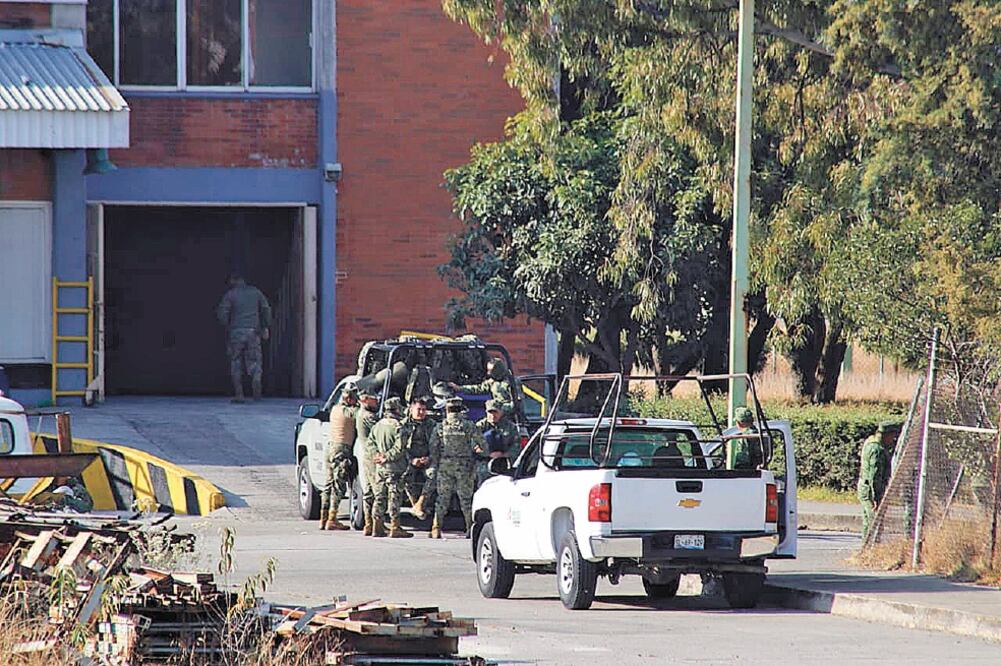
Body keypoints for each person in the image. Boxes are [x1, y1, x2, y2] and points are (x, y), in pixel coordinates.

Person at [429, 397, 485, 539]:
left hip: (445, 467)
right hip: (464, 467)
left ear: (447, 410)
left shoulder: (440, 426)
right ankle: (469, 529)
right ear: (460, 409)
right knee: (466, 500)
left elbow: (433, 447)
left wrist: (438, 462)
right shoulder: (469, 426)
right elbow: (484, 447)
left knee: (442, 499)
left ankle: (436, 528)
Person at [216, 274, 272, 403]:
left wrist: (228, 326)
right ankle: (256, 384)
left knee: (235, 361)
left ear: (235, 280)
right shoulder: (256, 292)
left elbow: (223, 313)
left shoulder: (231, 294)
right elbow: (266, 309)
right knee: (255, 360)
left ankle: (239, 394)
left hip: (236, 331)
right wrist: (265, 326)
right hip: (253, 332)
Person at [370, 397, 413, 538]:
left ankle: (377, 525)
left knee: (379, 497)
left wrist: (377, 455)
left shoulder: (378, 425)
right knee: (394, 497)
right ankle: (395, 526)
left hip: (380, 469)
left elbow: (370, 443)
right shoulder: (399, 427)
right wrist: (386, 457)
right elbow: (399, 448)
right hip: (395, 468)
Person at [319, 383, 359, 531]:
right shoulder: (350, 412)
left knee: (328, 485)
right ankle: (332, 519)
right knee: (338, 485)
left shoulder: (335, 409)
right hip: (342, 449)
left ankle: (323, 518)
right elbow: (361, 415)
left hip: (331, 448)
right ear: (350, 398)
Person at [858, 421, 898, 540]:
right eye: (892, 436)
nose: (893, 439)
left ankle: (865, 548)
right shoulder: (877, 450)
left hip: (864, 487)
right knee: (875, 522)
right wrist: (876, 498)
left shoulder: (870, 442)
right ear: (886, 435)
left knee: (867, 522)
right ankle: (871, 548)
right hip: (870, 490)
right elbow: (874, 476)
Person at [401, 396, 437, 520]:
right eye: (418, 409)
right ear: (411, 409)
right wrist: (412, 460)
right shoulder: (403, 425)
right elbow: (400, 447)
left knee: (433, 474)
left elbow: (437, 445)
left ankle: (421, 503)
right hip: (409, 459)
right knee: (405, 474)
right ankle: (415, 503)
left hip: (426, 459)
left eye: (423, 410)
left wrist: (429, 458)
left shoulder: (432, 425)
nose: (421, 412)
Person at [355, 389, 381, 536]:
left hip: (367, 456)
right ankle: (377, 524)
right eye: (373, 398)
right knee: (378, 492)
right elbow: (379, 430)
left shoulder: (360, 413)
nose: (376, 401)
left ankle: (369, 524)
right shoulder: (368, 416)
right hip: (372, 456)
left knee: (369, 492)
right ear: (365, 400)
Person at [449, 357, 514, 414]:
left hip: (507, 414)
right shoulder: (493, 382)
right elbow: (478, 388)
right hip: (495, 412)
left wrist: (501, 409)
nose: (488, 373)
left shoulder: (511, 383)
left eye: (491, 371)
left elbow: (516, 403)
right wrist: (460, 388)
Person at [475, 399, 519, 483]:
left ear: (501, 412)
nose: (492, 415)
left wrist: (504, 454)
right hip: (484, 463)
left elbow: (517, 446)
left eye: (495, 412)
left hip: (503, 462)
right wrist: (488, 453)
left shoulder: (510, 427)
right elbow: (473, 444)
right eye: (490, 412)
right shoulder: (479, 426)